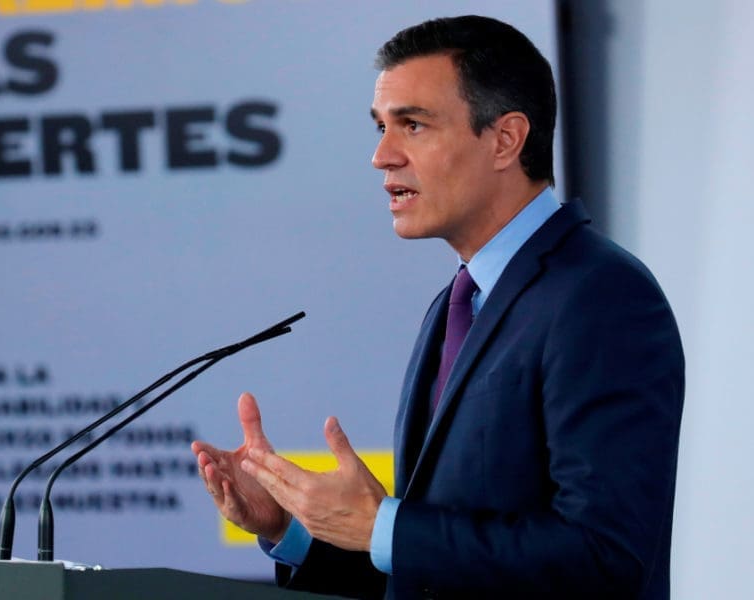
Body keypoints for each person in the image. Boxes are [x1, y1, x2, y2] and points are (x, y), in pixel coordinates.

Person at [191, 15, 684, 600]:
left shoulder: (601, 296)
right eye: (381, 127)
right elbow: (434, 568)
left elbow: (606, 557)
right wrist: (296, 529)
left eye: (413, 125)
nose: (382, 156)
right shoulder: (459, 303)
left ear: (505, 139)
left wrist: (383, 528)